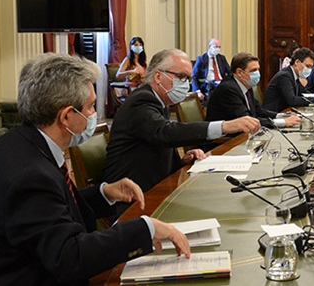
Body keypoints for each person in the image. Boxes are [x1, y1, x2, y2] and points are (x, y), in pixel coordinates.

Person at [0, 53, 190, 284]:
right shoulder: (30, 175)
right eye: (90, 107)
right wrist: (145, 228)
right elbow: (70, 257)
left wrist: (104, 193)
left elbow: (50, 210)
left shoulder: (22, 143)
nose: (93, 115)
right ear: (66, 116)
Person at [103, 49, 261, 200]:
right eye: (182, 77)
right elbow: (164, 133)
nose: (186, 84)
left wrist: (183, 161)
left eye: (189, 78)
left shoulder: (160, 102)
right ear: (158, 76)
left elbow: (155, 144)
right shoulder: (142, 100)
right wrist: (223, 126)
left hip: (152, 186)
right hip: (130, 194)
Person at [207, 52, 301, 129]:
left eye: (258, 70)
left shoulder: (245, 85)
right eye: (253, 70)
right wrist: (283, 122)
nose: (257, 74)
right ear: (239, 72)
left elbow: (258, 110)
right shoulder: (228, 89)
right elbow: (247, 120)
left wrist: (282, 116)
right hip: (225, 141)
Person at [264, 47, 314, 112]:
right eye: (307, 66)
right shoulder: (285, 76)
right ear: (297, 62)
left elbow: (302, 92)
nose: (309, 70)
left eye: (311, 67)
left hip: (287, 111)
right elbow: (292, 100)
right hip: (274, 114)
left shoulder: (294, 74)